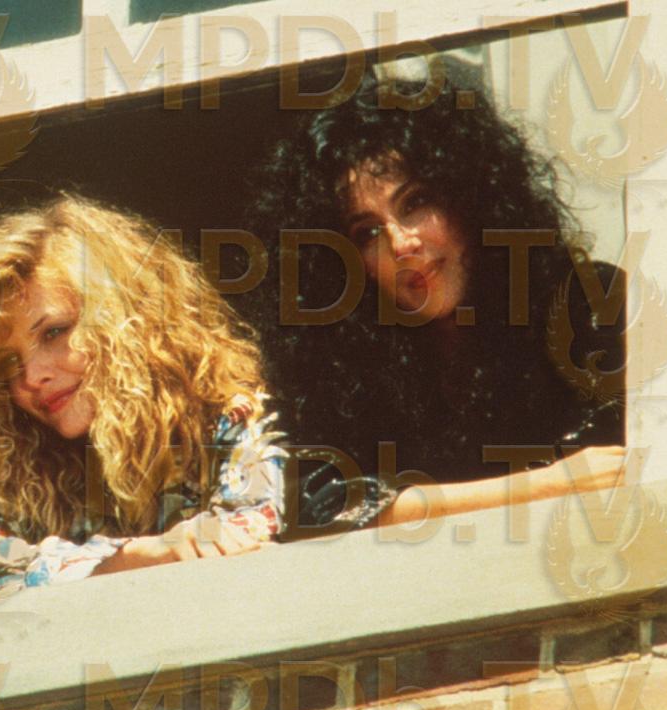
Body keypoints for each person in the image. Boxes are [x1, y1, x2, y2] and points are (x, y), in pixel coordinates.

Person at [0, 195, 623, 596]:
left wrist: (553, 486)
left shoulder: (233, 411)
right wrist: (145, 553)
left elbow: (281, 516)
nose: (33, 377)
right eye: (8, 363)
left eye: (54, 333)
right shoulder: (23, 465)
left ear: (124, 315)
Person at [247, 68, 625, 488]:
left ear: (469, 196)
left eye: (415, 203)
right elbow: (330, 503)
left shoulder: (588, 303)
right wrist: (547, 484)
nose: (401, 243)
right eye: (368, 232)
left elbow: (620, 465)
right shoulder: (349, 376)